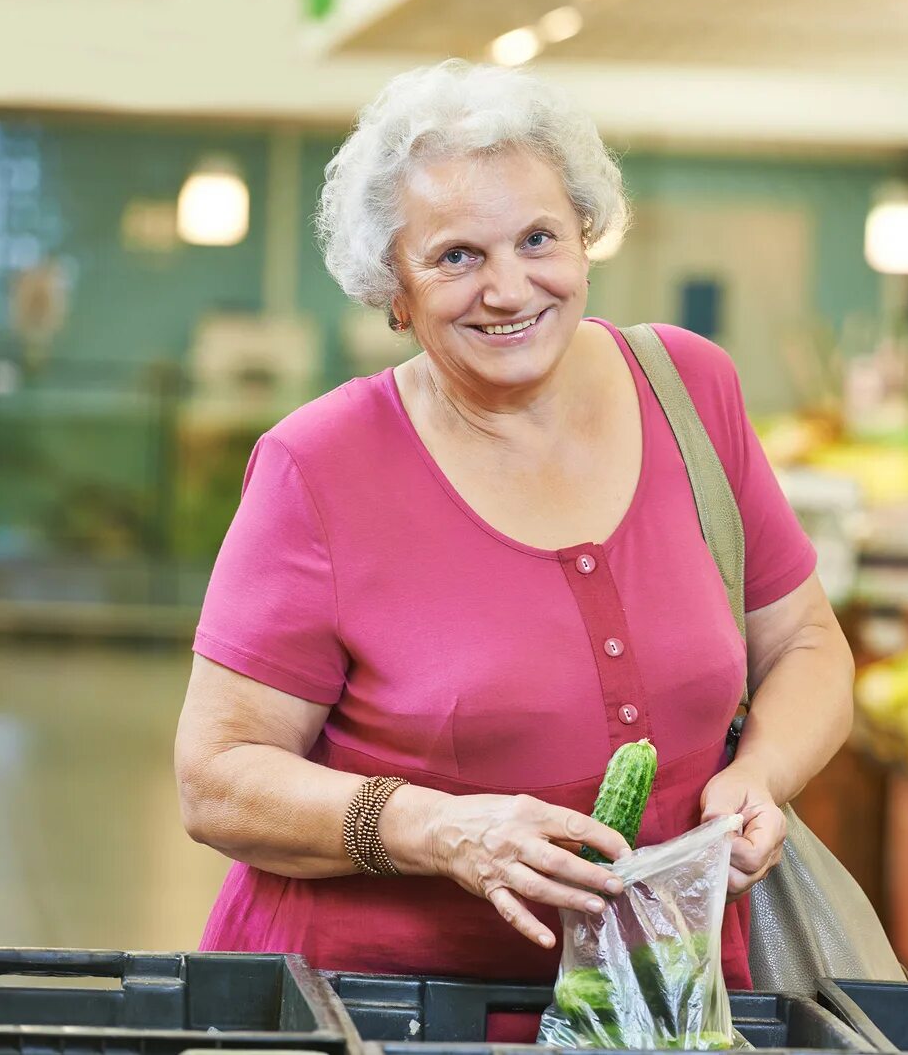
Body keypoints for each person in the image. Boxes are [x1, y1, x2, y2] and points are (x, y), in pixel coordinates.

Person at [173, 60, 854, 990]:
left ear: (586, 237)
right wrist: (443, 829)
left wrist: (762, 776)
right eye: (457, 256)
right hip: (382, 1006)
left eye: (538, 238)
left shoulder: (690, 390)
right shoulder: (319, 465)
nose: (508, 289)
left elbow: (807, 643)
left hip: (663, 996)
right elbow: (216, 777)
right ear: (393, 289)